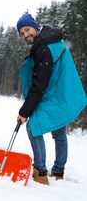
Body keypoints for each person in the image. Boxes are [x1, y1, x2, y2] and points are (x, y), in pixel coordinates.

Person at [16, 13, 87, 185]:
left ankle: (40, 171)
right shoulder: (50, 41)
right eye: (22, 34)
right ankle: (58, 171)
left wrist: (24, 112)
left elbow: (39, 84)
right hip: (61, 93)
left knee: (33, 126)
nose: (25, 35)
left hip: (56, 94)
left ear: (35, 26)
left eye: (27, 30)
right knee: (59, 131)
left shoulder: (44, 48)